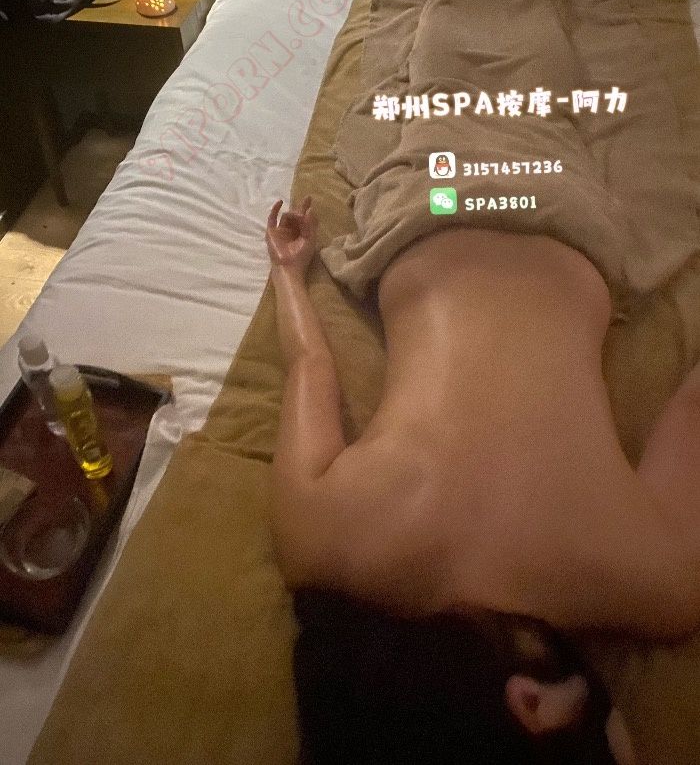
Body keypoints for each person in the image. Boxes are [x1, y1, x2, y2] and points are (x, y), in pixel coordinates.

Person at [265, 195, 700, 764]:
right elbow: (309, 363)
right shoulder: (316, 545)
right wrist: (288, 268)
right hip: (421, 209)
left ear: (530, 705)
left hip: (581, 223)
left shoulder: (661, 588)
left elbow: (694, 408)